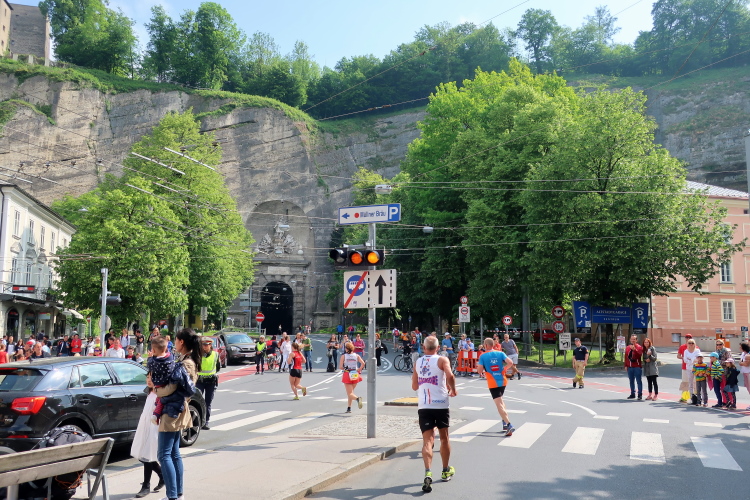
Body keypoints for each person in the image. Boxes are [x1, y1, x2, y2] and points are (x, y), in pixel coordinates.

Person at [154, 328, 200, 500]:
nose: (174, 342)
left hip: (173, 409)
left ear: (181, 342)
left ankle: (172, 495)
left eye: (176, 339)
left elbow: (172, 388)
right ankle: (177, 494)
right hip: (178, 408)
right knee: (173, 453)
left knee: (164, 454)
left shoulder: (186, 363)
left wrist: (156, 391)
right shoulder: (188, 360)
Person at [412, 335, 457, 493]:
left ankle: (427, 472)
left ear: (424, 347)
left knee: (427, 441)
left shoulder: (418, 362)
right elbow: (450, 376)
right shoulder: (442, 360)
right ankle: (445, 470)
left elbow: (414, 386)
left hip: (424, 405)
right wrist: (453, 389)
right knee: (444, 438)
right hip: (441, 404)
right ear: (438, 348)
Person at [131, 373, 165, 498]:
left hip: (153, 426)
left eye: (152, 378)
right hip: (145, 425)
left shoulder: (160, 393)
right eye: (147, 377)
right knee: (143, 454)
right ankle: (162, 475)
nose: (149, 380)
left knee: (147, 456)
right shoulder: (150, 392)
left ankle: (146, 486)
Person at [477, 337, 516, 436]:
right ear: (493, 345)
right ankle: (504, 422)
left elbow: (479, 371)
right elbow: (510, 363)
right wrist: (505, 368)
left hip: (492, 382)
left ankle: (509, 424)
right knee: (501, 401)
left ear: (485, 345)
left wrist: (483, 369)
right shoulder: (500, 353)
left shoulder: (483, 356)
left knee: (499, 404)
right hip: (502, 380)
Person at [196, 336, 220, 430]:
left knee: (208, 403)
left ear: (210, 345)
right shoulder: (198, 354)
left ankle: (206, 422)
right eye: (203, 345)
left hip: (211, 382)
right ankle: (198, 421)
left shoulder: (215, 354)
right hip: (199, 381)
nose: (205, 346)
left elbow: (218, 367)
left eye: (207, 345)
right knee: (198, 401)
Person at [340, 342, 365, 413]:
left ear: (347, 349)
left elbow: (340, 367)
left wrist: (344, 368)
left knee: (350, 393)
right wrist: (359, 369)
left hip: (347, 374)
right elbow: (363, 363)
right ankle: (349, 408)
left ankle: (358, 399)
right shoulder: (356, 355)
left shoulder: (343, 356)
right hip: (355, 374)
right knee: (351, 392)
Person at [624, 334, 643, 400]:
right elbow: (626, 357)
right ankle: (632, 394)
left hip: (637, 367)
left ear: (636, 340)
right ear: (630, 340)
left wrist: (635, 350)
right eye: (632, 339)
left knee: (638, 381)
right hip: (630, 367)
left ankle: (640, 394)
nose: (633, 340)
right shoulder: (627, 347)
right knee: (631, 381)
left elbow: (639, 355)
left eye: (634, 339)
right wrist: (625, 365)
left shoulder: (639, 347)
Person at [676, 334, 692, 402]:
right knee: (685, 382)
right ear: (685, 338)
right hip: (685, 367)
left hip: (693, 367)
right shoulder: (682, 347)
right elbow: (678, 356)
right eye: (687, 337)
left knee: (694, 382)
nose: (688, 338)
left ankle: (694, 397)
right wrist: (683, 358)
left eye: (689, 337)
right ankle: (684, 397)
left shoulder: (696, 347)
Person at [740, 341, 750, 409]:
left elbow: (746, 364)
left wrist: (741, 363)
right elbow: (741, 363)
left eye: (740, 347)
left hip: (749, 372)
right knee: (748, 388)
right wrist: (742, 363)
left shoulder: (748, 355)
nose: (739, 348)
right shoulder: (743, 354)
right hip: (744, 372)